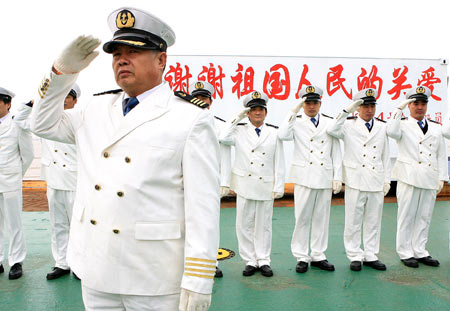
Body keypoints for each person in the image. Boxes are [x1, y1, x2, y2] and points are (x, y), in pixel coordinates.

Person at [30, 7, 220, 311]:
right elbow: (40, 123)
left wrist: (198, 278)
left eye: (134, 51)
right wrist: (60, 73)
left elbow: (203, 207)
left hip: (153, 276)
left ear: (161, 60)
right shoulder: (93, 109)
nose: (122, 59)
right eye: (116, 52)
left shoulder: (190, 119)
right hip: (96, 268)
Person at [219, 91, 285, 277]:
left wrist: (279, 185)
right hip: (245, 183)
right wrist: (237, 116)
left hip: (265, 183)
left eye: (260, 109)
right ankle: (249, 259)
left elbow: (279, 160)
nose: (257, 113)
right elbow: (223, 137)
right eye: (253, 109)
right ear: (247, 113)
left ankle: (263, 259)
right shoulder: (238, 129)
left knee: (264, 224)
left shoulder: (273, 132)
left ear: (266, 112)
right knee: (244, 223)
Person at [278, 85, 341, 273]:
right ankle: (301, 255)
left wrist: (337, 175)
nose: (311, 106)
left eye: (314, 102)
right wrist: (293, 111)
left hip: (323, 175)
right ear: (302, 104)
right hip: (304, 176)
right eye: (307, 103)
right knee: (302, 217)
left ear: (320, 103)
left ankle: (318, 254)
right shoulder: (295, 121)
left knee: (322, 217)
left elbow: (336, 150)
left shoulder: (330, 122)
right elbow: (282, 135)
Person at [327, 88, 391, 271]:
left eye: (372, 106)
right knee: (353, 220)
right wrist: (348, 110)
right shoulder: (347, 125)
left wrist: (387, 179)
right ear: (358, 108)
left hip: (376, 179)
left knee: (373, 219)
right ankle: (354, 254)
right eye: (364, 106)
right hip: (355, 179)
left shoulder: (382, 126)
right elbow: (332, 129)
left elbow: (385, 155)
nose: (369, 110)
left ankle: (371, 254)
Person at [386, 86, 447, 268]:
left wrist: (442, 177)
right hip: (409, 178)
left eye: (423, 103)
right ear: (409, 105)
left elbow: (441, 154)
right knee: (407, 216)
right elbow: (391, 131)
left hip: (429, 177)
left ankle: (420, 251)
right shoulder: (402, 125)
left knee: (424, 216)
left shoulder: (436, 128)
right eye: (415, 103)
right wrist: (399, 109)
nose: (419, 107)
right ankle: (405, 252)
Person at [188, 81, 230, 278]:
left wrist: (225, 182)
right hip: (186, 180)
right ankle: (188, 264)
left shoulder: (220, 125)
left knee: (210, 224)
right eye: (197, 96)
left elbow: (226, 153)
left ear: (210, 101)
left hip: (210, 182)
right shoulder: (182, 121)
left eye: (204, 97)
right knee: (186, 223)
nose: (200, 101)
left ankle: (210, 263)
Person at [0, 87, 34, 280]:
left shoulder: (17, 125)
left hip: (11, 180)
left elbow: (27, 154)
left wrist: (16, 173)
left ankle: (16, 261)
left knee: (14, 223)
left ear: (8, 104)